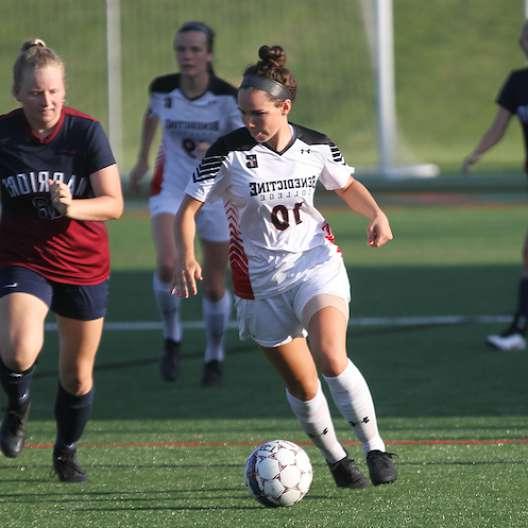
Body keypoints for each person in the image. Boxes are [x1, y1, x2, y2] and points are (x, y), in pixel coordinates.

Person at [173, 45, 397, 488]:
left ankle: (374, 447)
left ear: (285, 107)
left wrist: (376, 213)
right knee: (303, 384)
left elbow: (346, 185)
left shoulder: (314, 144)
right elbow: (187, 210)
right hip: (257, 283)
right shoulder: (228, 153)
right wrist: (187, 255)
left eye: (258, 113)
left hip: (315, 264)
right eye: (243, 113)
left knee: (331, 357)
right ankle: (337, 459)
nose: (249, 122)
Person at [0, 39, 123, 482]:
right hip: (24, 257)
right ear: (18, 92)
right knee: (17, 350)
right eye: (35, 92)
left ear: (64, 90)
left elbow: (114, 204)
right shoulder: (4, 134)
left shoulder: (85, 132)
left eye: (53, 91)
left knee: (76, 376)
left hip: (83, 262)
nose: (46, 100)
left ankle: (65, 452)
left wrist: (72, 207)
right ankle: (17, 409)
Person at [129, 21, 242, 386]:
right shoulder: (162, 89)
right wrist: (144, 158)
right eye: (181, 49)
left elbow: (241, 142)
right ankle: (172, 337)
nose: (187, 56)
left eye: (195, 49)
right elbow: (151, 118)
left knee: (213, 284)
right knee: (167, 264)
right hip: (173, 187)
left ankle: (214, 354)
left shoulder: (226, 97)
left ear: (209, 54)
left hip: (214, 194)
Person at [462, 20, 528, 352]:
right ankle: (519, 329)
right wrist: (476, 155)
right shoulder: (518, 82)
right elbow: (498, 127)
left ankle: (518, 329)